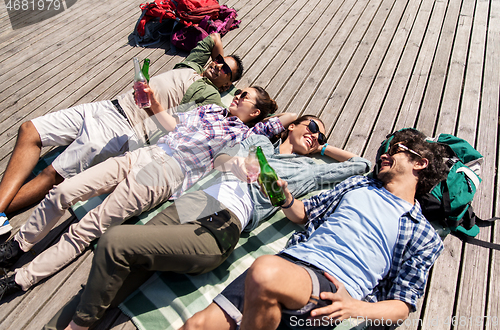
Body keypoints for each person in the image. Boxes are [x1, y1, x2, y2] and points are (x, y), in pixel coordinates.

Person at [44, 115, 371, 330]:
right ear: (293, 126)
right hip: (196, 202)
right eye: (311, 127)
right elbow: (222, 159)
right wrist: (237, 166)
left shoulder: (309, 170)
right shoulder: (258, 143)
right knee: (125, 266)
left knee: (114, 243)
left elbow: (362, 165)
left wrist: (324, 148)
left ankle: (79, 325)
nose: (314, 135)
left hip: (226, 221)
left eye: (320, 136)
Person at [0, 86, 295, 303]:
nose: (239, 95)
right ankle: (19, 245)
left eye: (246, 97)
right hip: (145, 154)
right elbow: (173, 126)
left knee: (89, 226)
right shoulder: (209, 110)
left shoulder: (243, 135)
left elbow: (276, 124)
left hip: (167, 173)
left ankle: (20, 279)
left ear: (255, 113)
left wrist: (242, 164)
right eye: (240, 91)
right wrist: (153, 102)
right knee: (63, 191)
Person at [179, 128, 449, 330]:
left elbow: (402, 306)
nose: (386, 154)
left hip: (331, 287)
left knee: (265, 272)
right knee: (196, 325)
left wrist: (356, 307)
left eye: (397, 149)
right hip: (293, 263)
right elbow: (304, 213)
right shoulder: (358, 184)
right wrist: (283, 199)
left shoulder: (423, 234)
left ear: (420, 163)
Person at [0, 32, 243, 233]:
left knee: (52, 173)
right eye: (219, 61)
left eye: (225, 71)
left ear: (227, 86)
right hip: (107, 106)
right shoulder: (191, 65)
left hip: (123, 128)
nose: (219, 65)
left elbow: (202, 126)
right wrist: (220, 57)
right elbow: (213, 38)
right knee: (29, 129)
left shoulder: (210, 98)